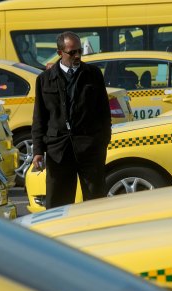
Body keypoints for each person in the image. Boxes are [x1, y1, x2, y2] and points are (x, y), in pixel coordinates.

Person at [31, 31, 111, 209]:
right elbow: (39, 117)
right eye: (72, 52)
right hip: (58, 150)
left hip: (89, 148)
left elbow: (104, 112)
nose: (77, 56)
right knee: (58, 203)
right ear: (60, 53)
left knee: (96, 201)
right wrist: (38, 150)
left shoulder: (93, 74)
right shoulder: (44, 79)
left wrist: (102, 142)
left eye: (79, 51)